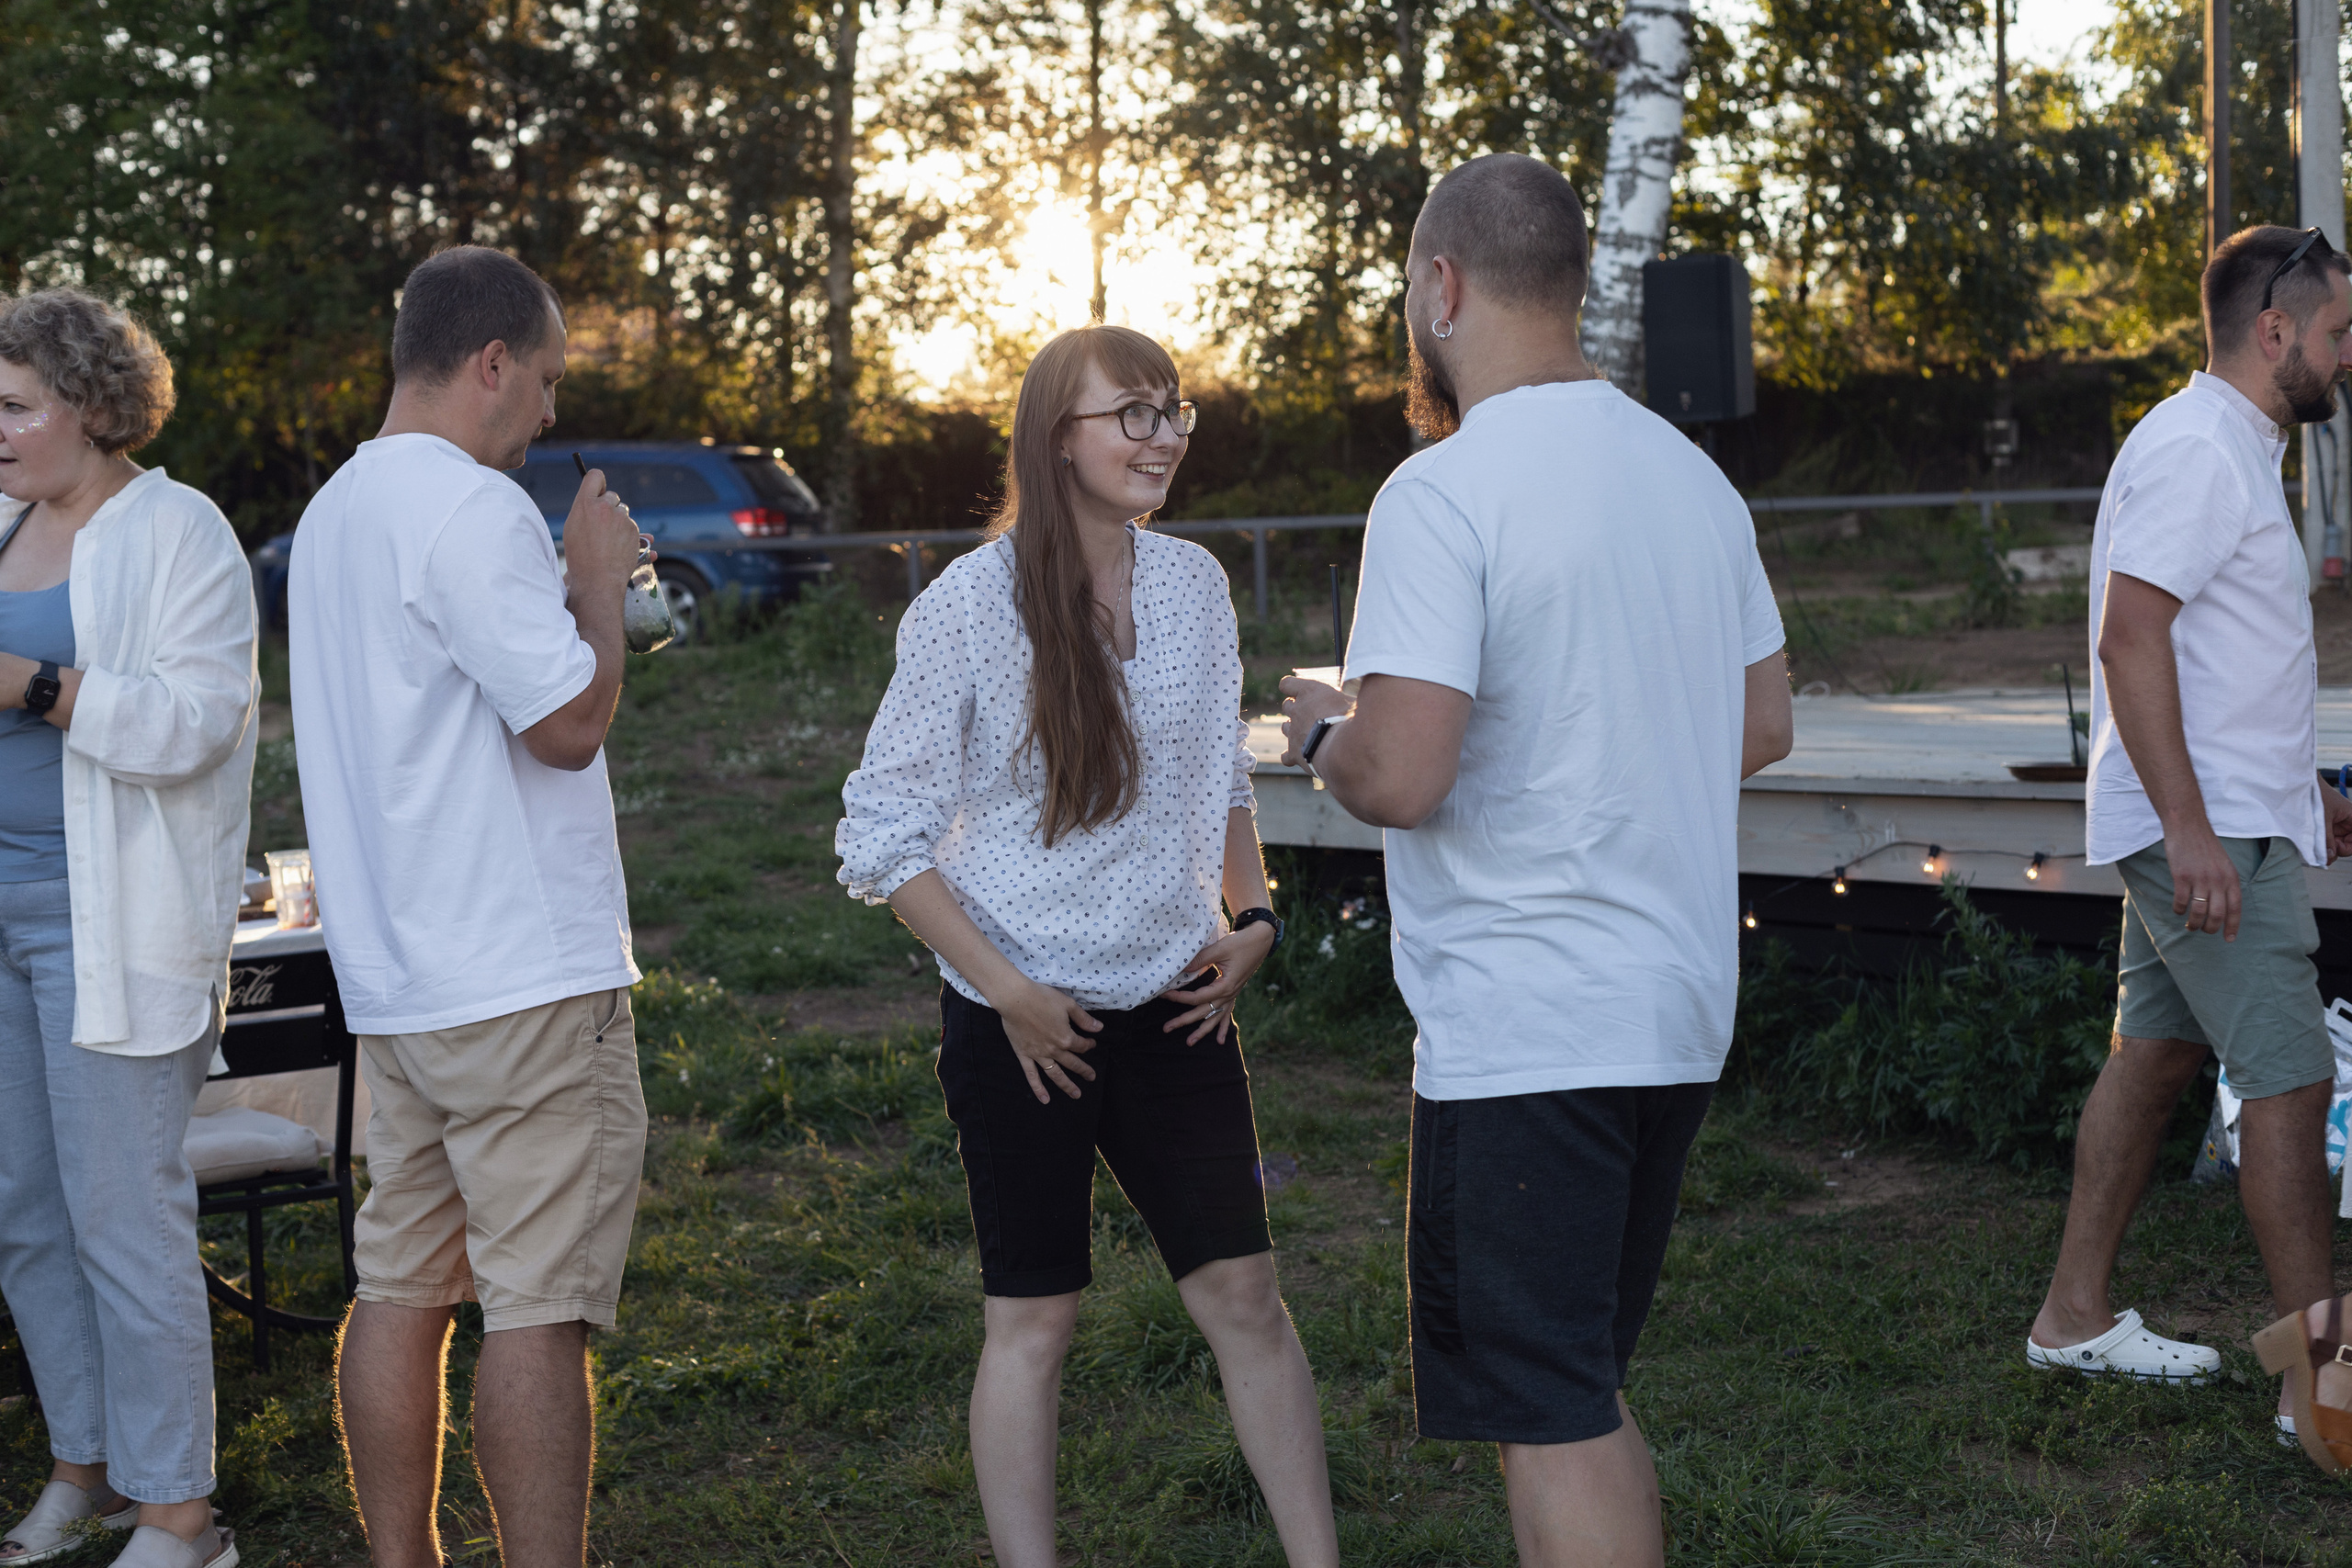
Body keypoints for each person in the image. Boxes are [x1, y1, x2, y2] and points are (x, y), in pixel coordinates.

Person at [1278, 153, 1792, 1568]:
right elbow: (1760, 722)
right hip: (1676, 1010)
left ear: (1440, 288)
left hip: (1530, 1027)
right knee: (1576, 1390)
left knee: (1548, 1408)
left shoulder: (1441, 494)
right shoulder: (1692, 477)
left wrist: (1326, 731)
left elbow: (1404, 772)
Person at [836, 323, 1339, 1568]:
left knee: (1246, 1301)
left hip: (1176, 1001)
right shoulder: (967, 608)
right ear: (1056, 437)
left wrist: (1255, 915)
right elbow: (881, 836)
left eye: (1174, 413)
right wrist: (1010, 994)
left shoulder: (1195, 586)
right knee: (1036, 1319)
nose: (1163, 437)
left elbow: (1220, 770)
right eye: (1133, 415)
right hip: (1022, 1019)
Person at [288, 246, 648, 1568]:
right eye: (546, 380)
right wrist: (595, 577)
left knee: (399, 1290)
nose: (550, 413)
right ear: (491, 362)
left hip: (398, 979)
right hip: (522, 981)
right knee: (534, 1310)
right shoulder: (472, 506)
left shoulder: (334, 514)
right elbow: (567, 722)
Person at [2023, 224, 2352, 1461]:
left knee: (2155, 1056)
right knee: (2290, 1077)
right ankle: (2322, 1398)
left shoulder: (2232, 449)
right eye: (2337, 332)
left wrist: (2297, 783)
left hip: (2228, 818)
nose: (2348, 353)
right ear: (2275, 332)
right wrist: (2194, 828)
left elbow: (2215, 659)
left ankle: (2072, 1315)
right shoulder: (2198, 450)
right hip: (2201, 841)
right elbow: (2130, 637)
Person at [0, 288, 259, 1568]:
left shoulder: (180, 532)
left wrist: (29, 684)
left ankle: (181, 1517)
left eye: (13, 406)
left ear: (95, 410)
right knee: (27, 1216)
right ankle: (87, 1473)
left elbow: (193, 722)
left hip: (113, 925)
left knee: (123, 1215)